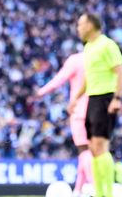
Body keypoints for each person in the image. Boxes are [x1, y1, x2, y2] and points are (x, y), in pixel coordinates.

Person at [68, 13, 122, 197]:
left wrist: (117, 98)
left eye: (80, 24)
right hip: (92, 99)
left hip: (106, 98)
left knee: (100, 145)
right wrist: (75, 99)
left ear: (90, 25)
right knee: (93, 148)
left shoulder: (107, 45)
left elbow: (121, 72)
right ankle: (99, 191)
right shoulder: (88, 48)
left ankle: (108, 192)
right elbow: (87, 78)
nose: (78, 28)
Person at [35, 52, 93, 196]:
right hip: (97, 110)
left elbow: (59, 79)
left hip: (79, 111)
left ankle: (94, 186)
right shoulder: (96, 58)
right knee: (88, 152)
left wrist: (41, 91)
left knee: (84, 151)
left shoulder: (75, 60)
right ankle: (78, 190)